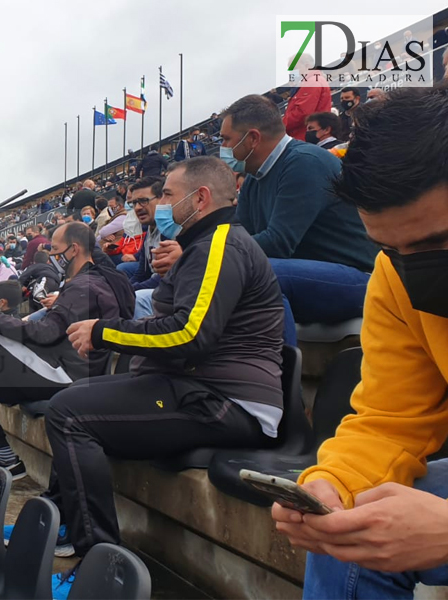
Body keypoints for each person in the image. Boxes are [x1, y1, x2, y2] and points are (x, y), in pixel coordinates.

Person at [52, 157, 285, 578]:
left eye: (168, 195)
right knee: (75, 403)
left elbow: (190, 335)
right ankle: (68, 527)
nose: (161, 204)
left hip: (227, 401)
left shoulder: (220, 245)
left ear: (200, 198)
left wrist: (104, 331)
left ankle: (103, 570)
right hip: (198, 388)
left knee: (68, 414)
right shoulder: (202, 246)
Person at [272, 85, 448, 600]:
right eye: (390, 248)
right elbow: (391, 419)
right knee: (352, 530)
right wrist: (334, 483)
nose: (412, 263)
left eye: (436, 242)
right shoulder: (395, 276)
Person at [0, 221, 134, 481]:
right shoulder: (95, 282)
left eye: (56, 250)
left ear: (74, 250)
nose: (52, 257)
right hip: (68, 366)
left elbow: (46, 334)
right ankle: (1, 451)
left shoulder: (83, 286)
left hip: (65, 372)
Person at [220, 94, 377, 330]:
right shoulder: (254, 176)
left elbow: (278, 243)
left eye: (226, 139)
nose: (223, 148)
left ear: (252, 138)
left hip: (358, 277)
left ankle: (273, 365)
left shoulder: (303, 162)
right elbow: (240, 235)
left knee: (255, 272)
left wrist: (212, 254)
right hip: (306, 274)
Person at [121, 176, 165, 318]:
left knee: (138, 298)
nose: (138, 208)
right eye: (134, 203)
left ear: (162, 199)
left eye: (144, 201)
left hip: (169, 289)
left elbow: (162, 278)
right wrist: (125, 289)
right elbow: (141, 272)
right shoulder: (149, 233)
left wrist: (129, 292)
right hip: (155, 286)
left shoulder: (170, 230)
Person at [282, 54, 331, 141]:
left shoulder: (311, 82)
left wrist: (279, 126)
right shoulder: (311, 81)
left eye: (294, 68)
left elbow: (302, 113)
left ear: (307, 66)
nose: (292, 72)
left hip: (305, 136)